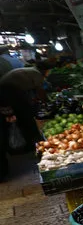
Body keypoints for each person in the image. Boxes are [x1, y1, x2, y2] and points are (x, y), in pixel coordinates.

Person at [0, 53, 44, 181]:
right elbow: (40, 91)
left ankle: (29, 147)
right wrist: (9, 113)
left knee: (25, 121)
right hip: (11, 98)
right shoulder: (35, 75)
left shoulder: (29, 74)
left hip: (11, 98)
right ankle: (31, 146)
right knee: (26, 121)